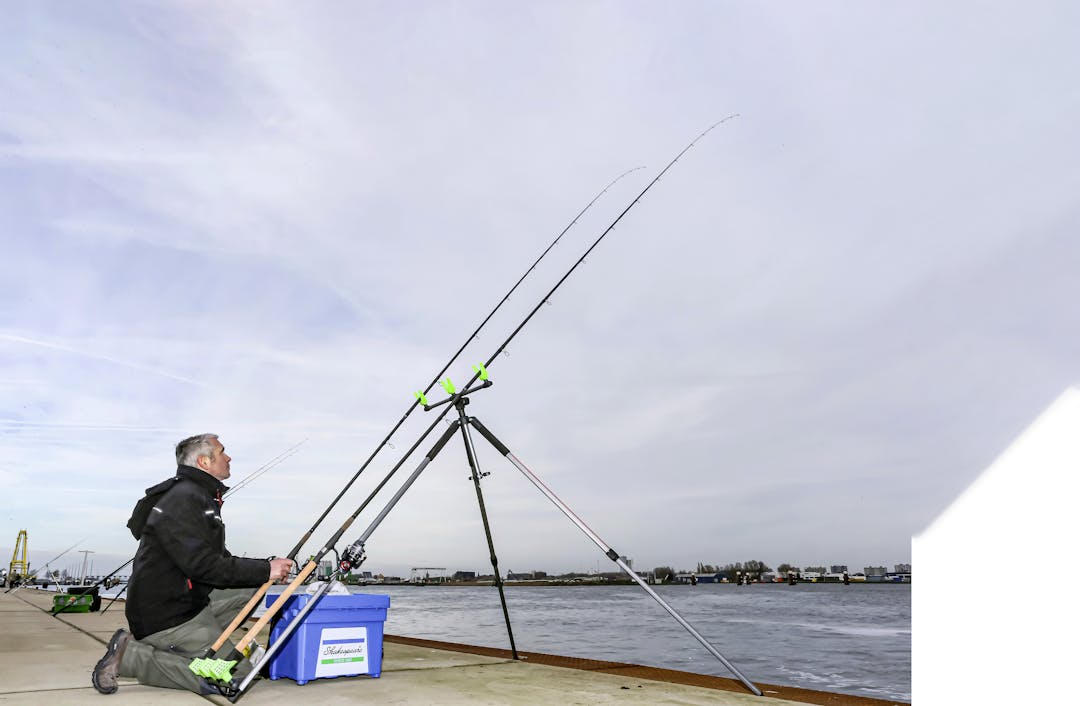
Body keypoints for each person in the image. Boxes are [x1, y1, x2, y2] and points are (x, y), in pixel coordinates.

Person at [92, 433, 294, 695]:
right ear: (204, 462)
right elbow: (204, 566)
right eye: (222, 452)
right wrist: (267, 568)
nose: (229, 457)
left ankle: (196, 646)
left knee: (256, 585)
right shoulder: (183, 499)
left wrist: (267, 570)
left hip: (187, 602)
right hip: (167, 617)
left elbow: (218, 559)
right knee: (236, 678)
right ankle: (133, 656)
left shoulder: (199, 496)